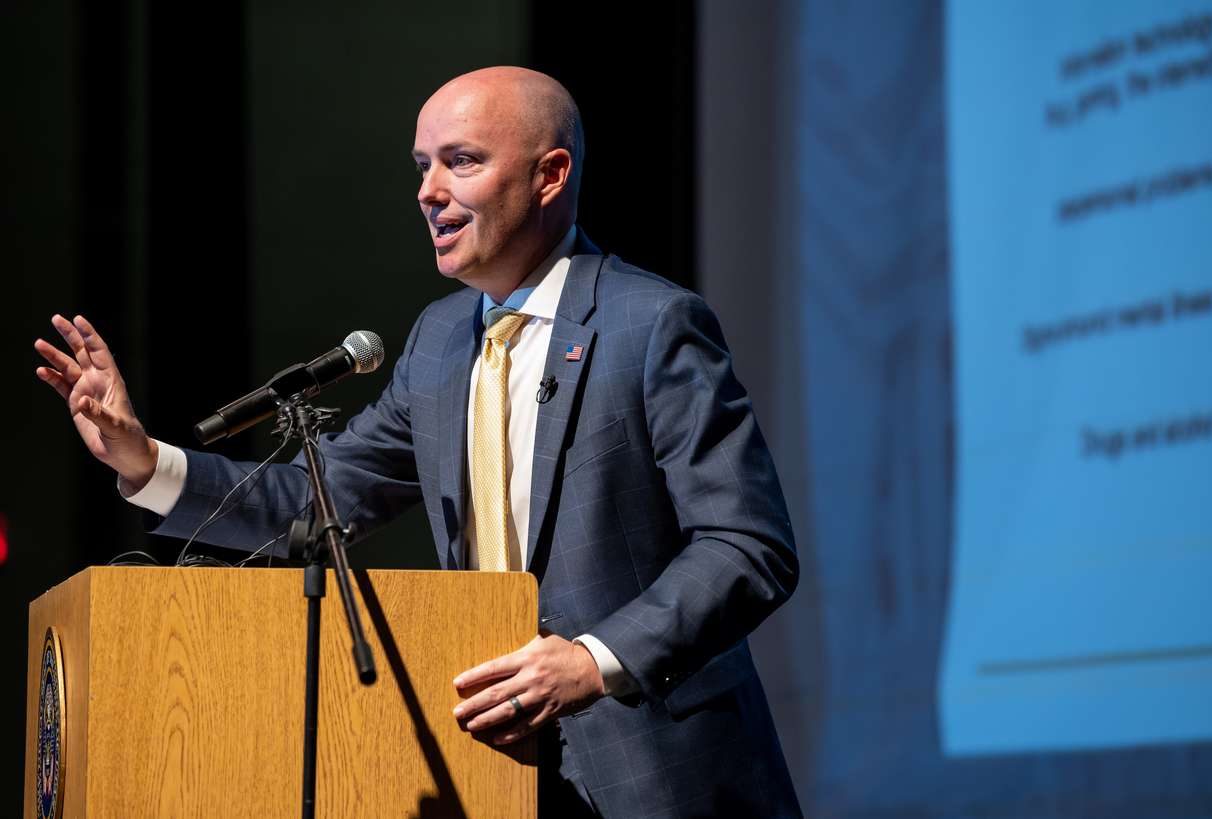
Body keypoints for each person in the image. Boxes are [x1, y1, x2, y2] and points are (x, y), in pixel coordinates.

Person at [35, 66, 802, 818]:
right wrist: (142, 458)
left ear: (550, 174)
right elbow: (314, 499)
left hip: (658, 772)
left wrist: (594, 659)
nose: (428, 191)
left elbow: (746, 544)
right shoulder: (439, 341)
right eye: (422, 165)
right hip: (490, 767)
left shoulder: (653, 325)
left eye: (461, 161)